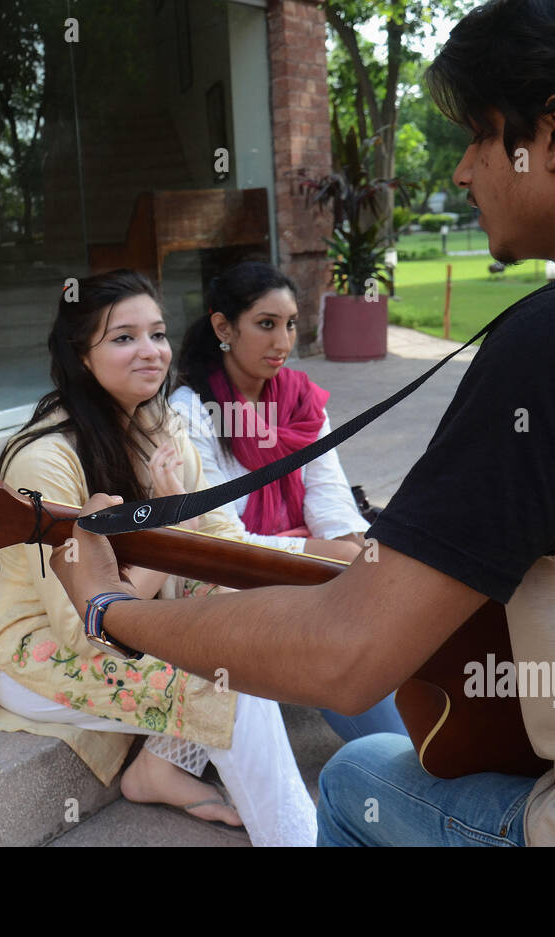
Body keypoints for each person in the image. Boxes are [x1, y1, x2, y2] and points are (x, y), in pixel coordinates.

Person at [46, 0, 555, 847]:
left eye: (480, 135)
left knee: (356, 778)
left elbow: (345, 655)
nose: (464, 172)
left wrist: (109, 607)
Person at [0, 268, 317, 846]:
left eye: (157, 334)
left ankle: (161, 763)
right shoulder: (44, 461)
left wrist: (320, 570)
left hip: (136, 616)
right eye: (123, 338)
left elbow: (227, 544)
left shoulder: (165, 427)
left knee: (256, 612)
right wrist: (167, 513)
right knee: (231, 680)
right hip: (36, 651)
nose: (150, 352)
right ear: (82, 356)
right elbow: (88, 630)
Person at [168, 261, 409, 742]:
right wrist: (330, 561)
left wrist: (350, 549)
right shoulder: (192, 412)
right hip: (230, 574)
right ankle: (403, 762)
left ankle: (417, 747)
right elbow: (224, 541)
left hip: (301, 559)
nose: (284, 342)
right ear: (223, 327)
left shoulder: (299, 400)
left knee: (385, 579)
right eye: (265, 324)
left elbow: (328, 492)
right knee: (339, 635)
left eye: (291, 324)